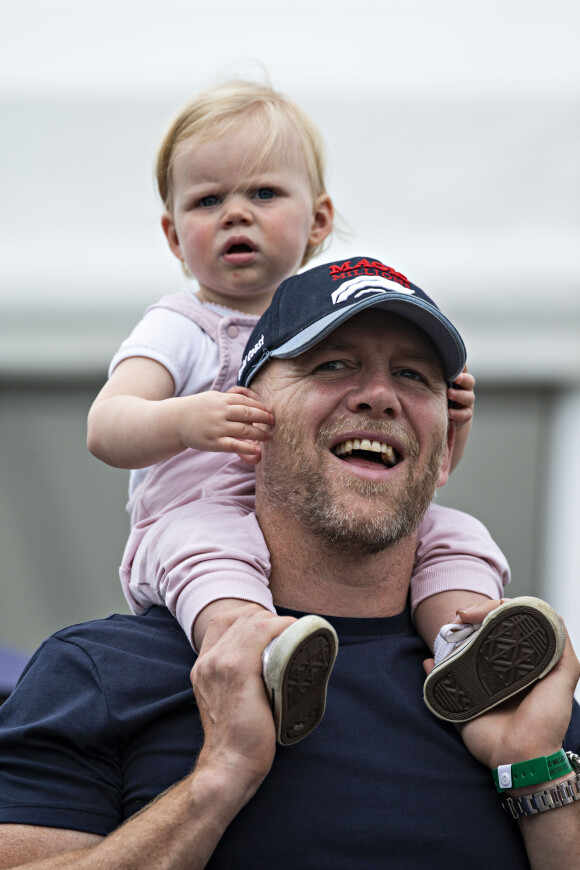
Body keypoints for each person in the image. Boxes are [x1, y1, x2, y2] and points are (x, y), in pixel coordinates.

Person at [0, 258, 578, 869]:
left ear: (442, 454)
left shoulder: (520, 696)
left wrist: (536, 769)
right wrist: (219, 779)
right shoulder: (96, 675)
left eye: (413, 375)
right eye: (331, 364)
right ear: (244, 422)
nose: (380, 397)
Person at [86, 80, 501, 740]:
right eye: (207, 199)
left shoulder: (330, 318)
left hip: (296, 525)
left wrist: (453, 418)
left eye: (263, 194)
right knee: (214, 550)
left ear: (318, 221)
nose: (235, 214)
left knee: (454, 533)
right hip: (196, 516)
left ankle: (470, 646)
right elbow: (106, 426)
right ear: (172, 235)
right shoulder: (181, 326)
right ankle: (256, 655)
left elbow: (429, 474)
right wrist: (186, 420)